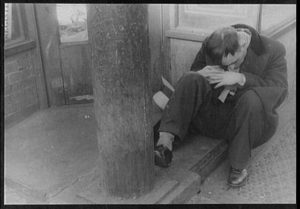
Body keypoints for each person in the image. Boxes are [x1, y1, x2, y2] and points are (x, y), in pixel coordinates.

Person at [154, 24, 288, 187]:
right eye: (225, 64)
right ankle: (164, 143)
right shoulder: (212, 43)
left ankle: (238, 166)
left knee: (252, 98)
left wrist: (241, 78)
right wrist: (201, 73)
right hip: (212, 116)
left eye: (235, 61)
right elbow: (195, 74)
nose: (230, 67)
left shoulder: (273, 49)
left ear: (243, 46)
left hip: (244, 123)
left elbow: (279, 89)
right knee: (191, 77)